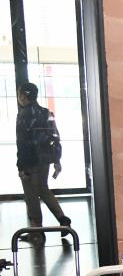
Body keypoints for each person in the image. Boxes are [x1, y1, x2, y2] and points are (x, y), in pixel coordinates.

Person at [16, 82, 70, 245]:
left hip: (30, 161)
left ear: (23, 96)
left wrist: (21, 166)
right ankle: (63, 219)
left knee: (31, 196)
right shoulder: (46, 112)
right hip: (45, 159)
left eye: (19, 94)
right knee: (43, 189)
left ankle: (36, 232)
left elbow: (22, 143)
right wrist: (56, 159)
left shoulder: (23, 115)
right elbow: (55, 137)